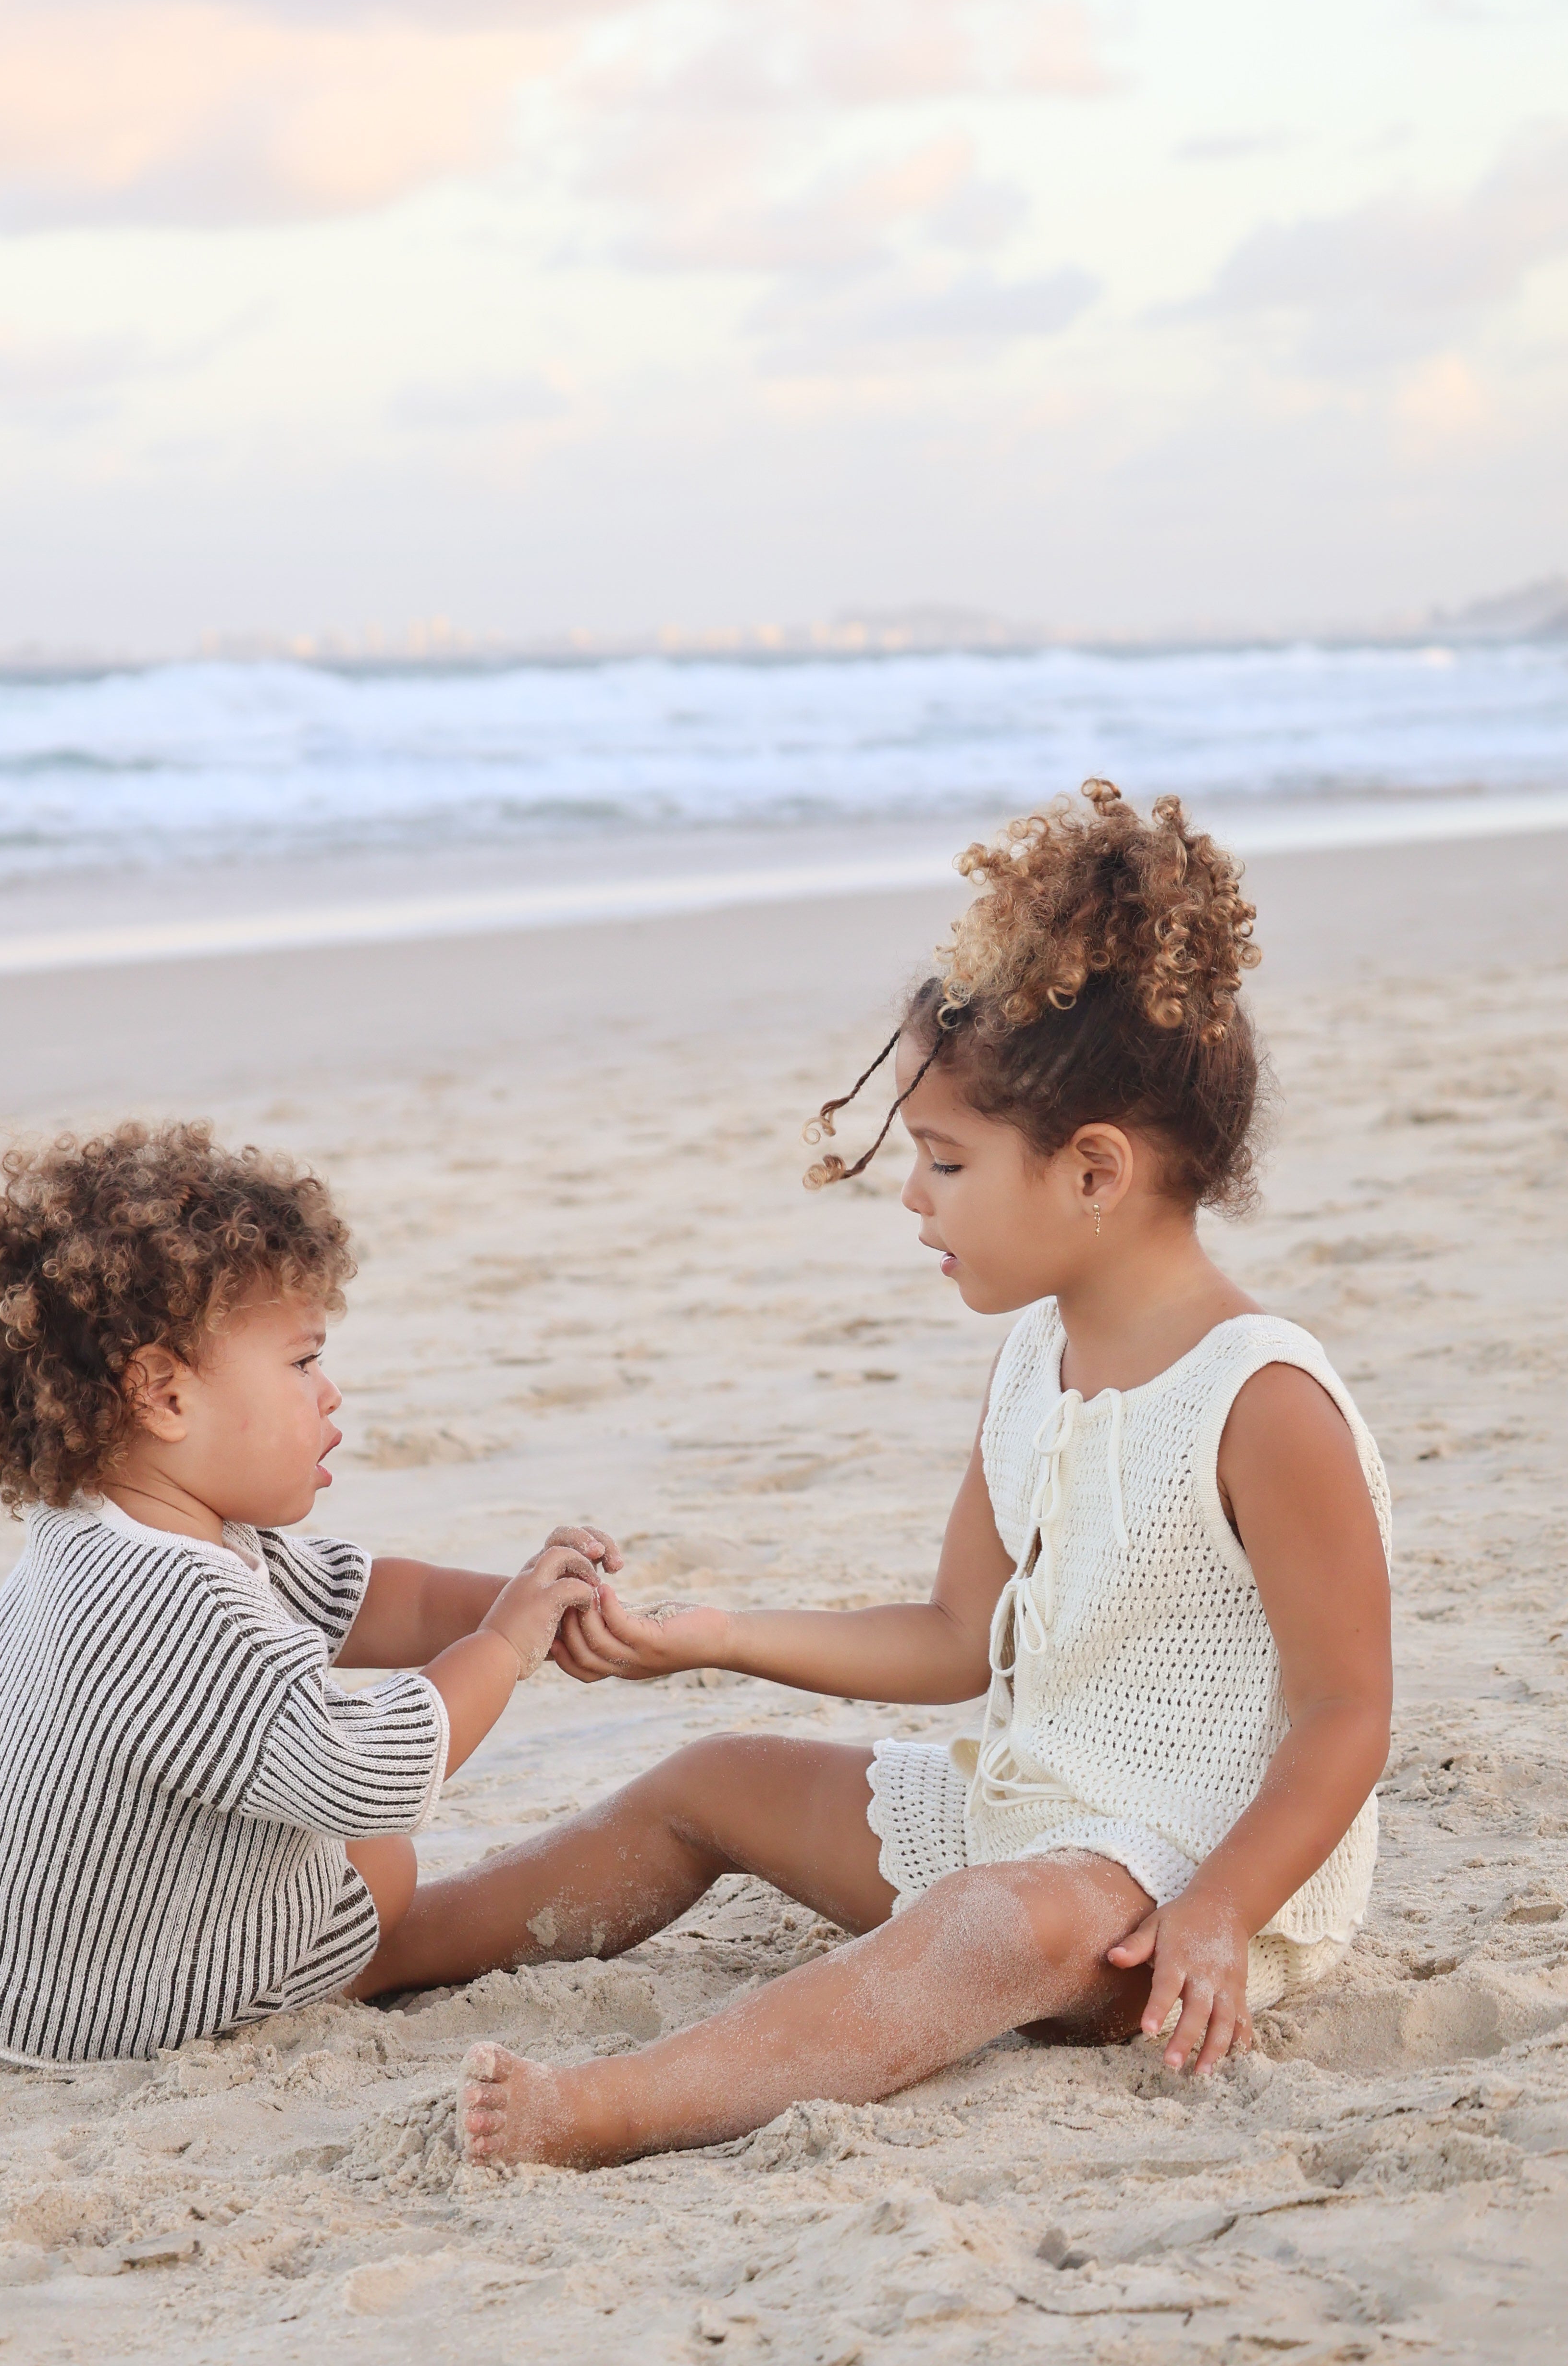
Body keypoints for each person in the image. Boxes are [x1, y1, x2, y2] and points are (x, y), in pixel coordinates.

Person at [355, 782, 1395, 2169]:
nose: (914, 1198)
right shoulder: (1037, 1356)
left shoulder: (1262, 1401)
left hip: (1174, 1887)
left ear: (1095, 1172)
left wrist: (1221, 1908)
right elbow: (956, 1638)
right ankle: (376, 1950)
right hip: (1016, 1809)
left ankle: (611, 2109)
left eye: (948, 1161)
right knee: (716, 1776)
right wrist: (712, 1642)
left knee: (1002, 1926)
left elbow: (1348, 1713)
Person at [0, 1121, 612, 2066]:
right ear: (162, 1395)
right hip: (72, 1997)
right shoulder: (180, 1614)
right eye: (300, 1363)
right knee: (379, 1860)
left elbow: (361, 1599)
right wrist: (503, 1649)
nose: (329, 1394)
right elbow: (359, 1773)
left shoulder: (103, 1520)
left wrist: (521, 1598)